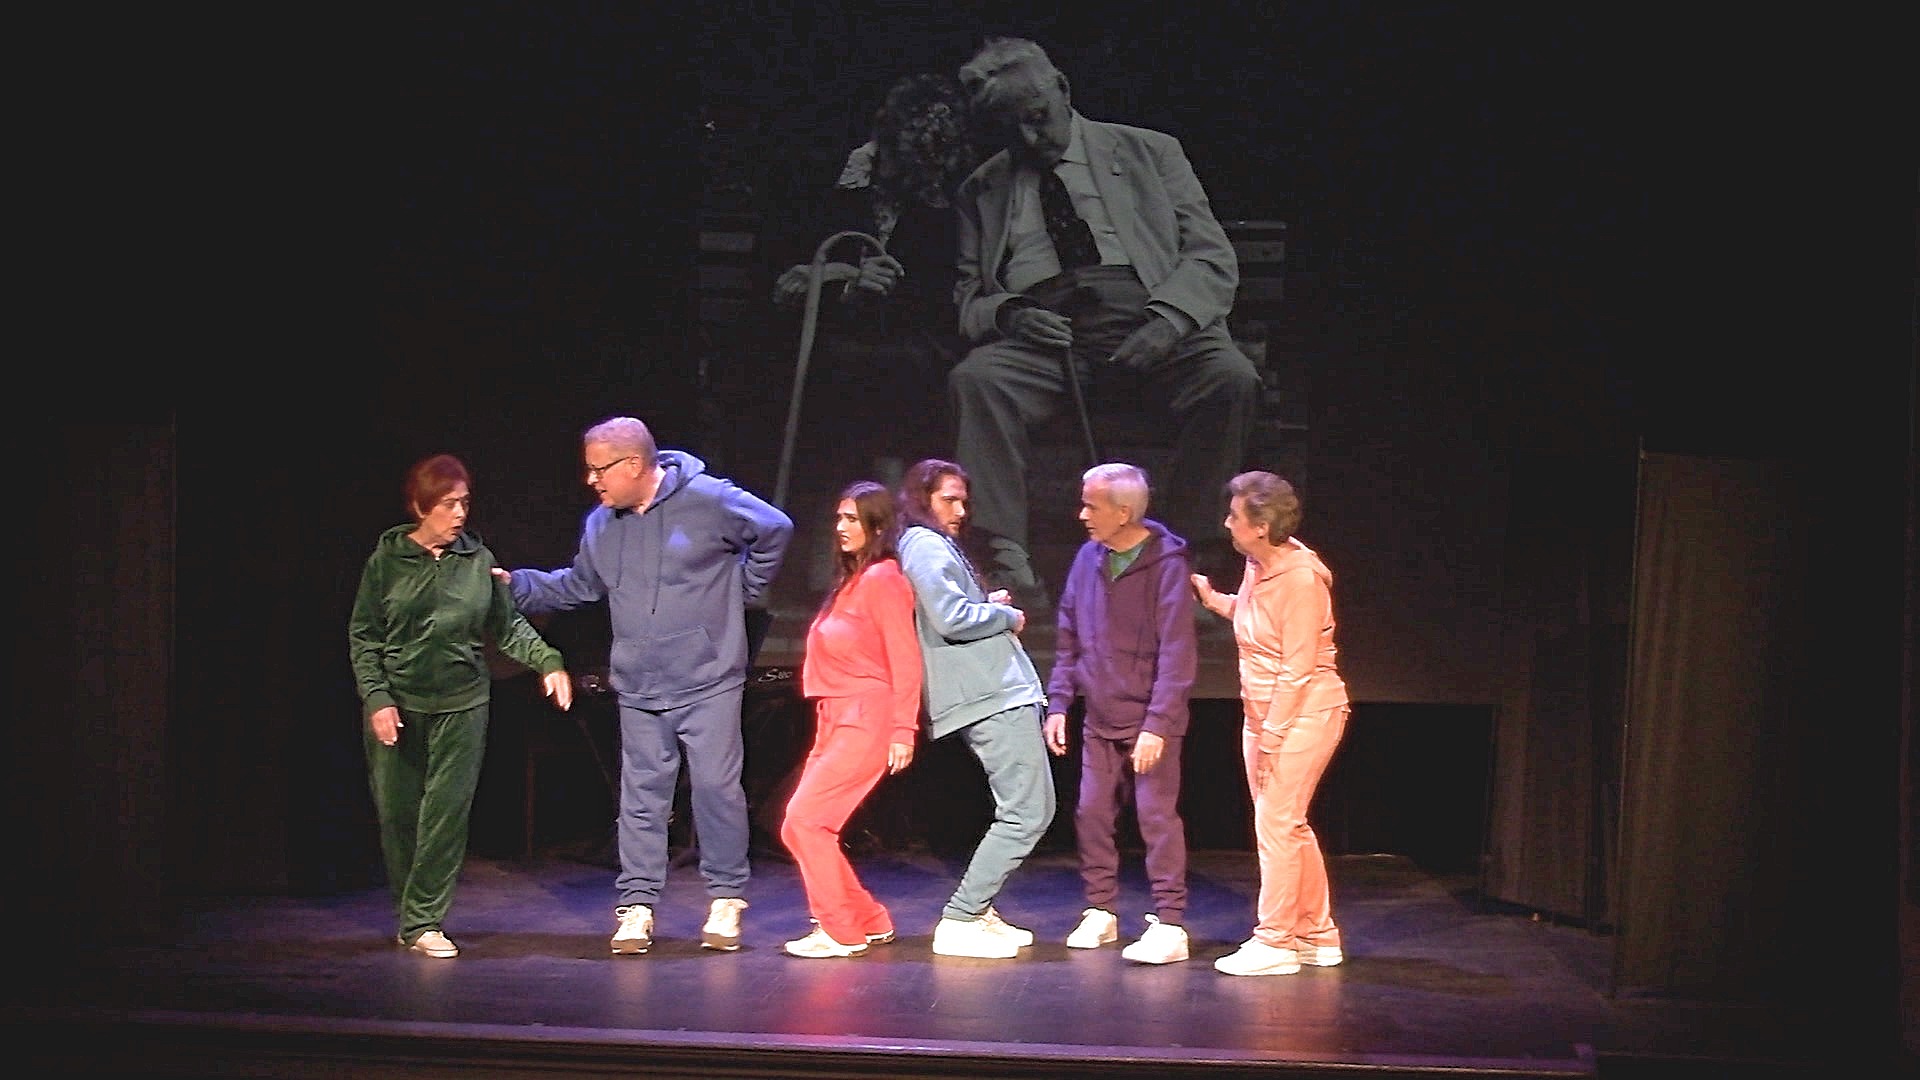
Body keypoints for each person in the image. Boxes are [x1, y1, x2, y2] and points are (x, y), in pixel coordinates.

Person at [948, 36, 1261, 605]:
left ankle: (1185, 559)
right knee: (979, 378)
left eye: (1038, 119)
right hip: (1048, 335)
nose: (1029, 139)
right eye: (1009, 128)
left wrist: (1168, 321)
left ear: (1063, 90)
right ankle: (1003, 559)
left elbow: (1211, 255)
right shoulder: (983, 189)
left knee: (1230, 379)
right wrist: (1013, 313)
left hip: (1148, 312)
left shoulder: (1149, 151)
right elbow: (970, 297)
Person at [502, 417, 793, 956]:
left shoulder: (709, 500)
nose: (591, 481)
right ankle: (637, 905)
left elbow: (774, 529)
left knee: (715, 790)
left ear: (634, 465)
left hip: (708, 678)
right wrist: (515, 586)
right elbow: (579, 586)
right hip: (638, 683)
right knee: (640, 800)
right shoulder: (601, 525)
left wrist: (744, 590)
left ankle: (726, 898)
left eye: (598, 469)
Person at [348, 453, 574, 959]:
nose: (459, 514)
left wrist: (549, 662)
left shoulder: (476, 560)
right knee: (399, 815)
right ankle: (412, 921)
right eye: (448, 504)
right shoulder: (386, 561)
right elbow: (364, 637)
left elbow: (507, 626)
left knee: (445, 815)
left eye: (464, 503)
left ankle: (425, 921)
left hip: (462, 702)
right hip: (400, 704)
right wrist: (378, 698)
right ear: (419, 506)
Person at [894, 458, 1055, 958]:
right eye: (949, 499)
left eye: (964, 499)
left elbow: (958, 607)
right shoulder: (923, 543)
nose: (961, 510)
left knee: (1026, 808)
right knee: (1028, 811)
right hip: (988, 693)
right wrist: (1003, 613)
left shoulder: (935, 544)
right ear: (922, 498)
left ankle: (977, 911)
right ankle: (962, 916)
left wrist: (988, 602)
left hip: (993, 689)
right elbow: (950, 617)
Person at [1190, 471, 1349, 976]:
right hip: (1262, 713)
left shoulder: (1301, 579)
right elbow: (1259, 621)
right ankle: (1317, 935)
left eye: (1234, 517)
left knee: (1277, 825)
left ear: (1259, 525)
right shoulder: (1259, 565)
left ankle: (1276, 941)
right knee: (1289, 825)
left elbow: (1298, 666)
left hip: (1304, 712)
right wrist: (1215, 600)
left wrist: (1274, 736)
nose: (1226, 524)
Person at [1043, 463, 1198, 964]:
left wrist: (1158, 724)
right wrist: (1060, 702)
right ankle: (1101, 911)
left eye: (1092, 505)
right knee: (1090, 813)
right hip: (1099, 716)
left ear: (1123, 511)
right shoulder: (1088, 557)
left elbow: (1177, 652)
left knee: (1155, 818)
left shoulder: (1166, 563)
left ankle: (1171, 923)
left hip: (1151, 720)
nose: (1082, 514)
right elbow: (1068, 634)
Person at [779, 481, 922, 958]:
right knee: (804, 824)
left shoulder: (884, 579)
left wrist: (904, 730)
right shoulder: (853, 581)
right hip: (834, 715)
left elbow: (905, 658)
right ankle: (868, 919)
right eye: (838, 517)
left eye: (852, 519)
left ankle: (841, 930)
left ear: (877, 526)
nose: (840, 527)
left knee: (804, 822)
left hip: (867, 715)